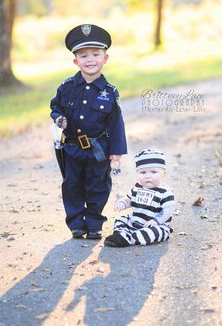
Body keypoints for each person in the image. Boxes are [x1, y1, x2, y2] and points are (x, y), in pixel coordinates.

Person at [50, 24, 127, 240]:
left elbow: (116, 124)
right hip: (72, 148)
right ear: (76, 61)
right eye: (84, 55)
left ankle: (94, 223)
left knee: (98, 187)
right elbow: (55, 107)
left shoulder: (109, 92)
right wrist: (59, 118)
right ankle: (76, 224)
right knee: (72, 186)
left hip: (98, 150)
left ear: (105, 58)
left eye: (96, 54)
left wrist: (116, 153)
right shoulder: (66, 87)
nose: (90, 59)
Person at [104, 149, 175, 247]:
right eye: (143, 172)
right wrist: (122, 203)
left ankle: (129, 239)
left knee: (157, 232)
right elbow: (129, 200)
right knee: (121, 220)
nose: (148, 176)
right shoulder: (137, 187)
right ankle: (121, 235)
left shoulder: (165, 192)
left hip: (155, 225)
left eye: (154, 172)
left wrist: (156, 221)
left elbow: (168, 211)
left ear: (163, 174)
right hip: (135, 221)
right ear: (137, 174)